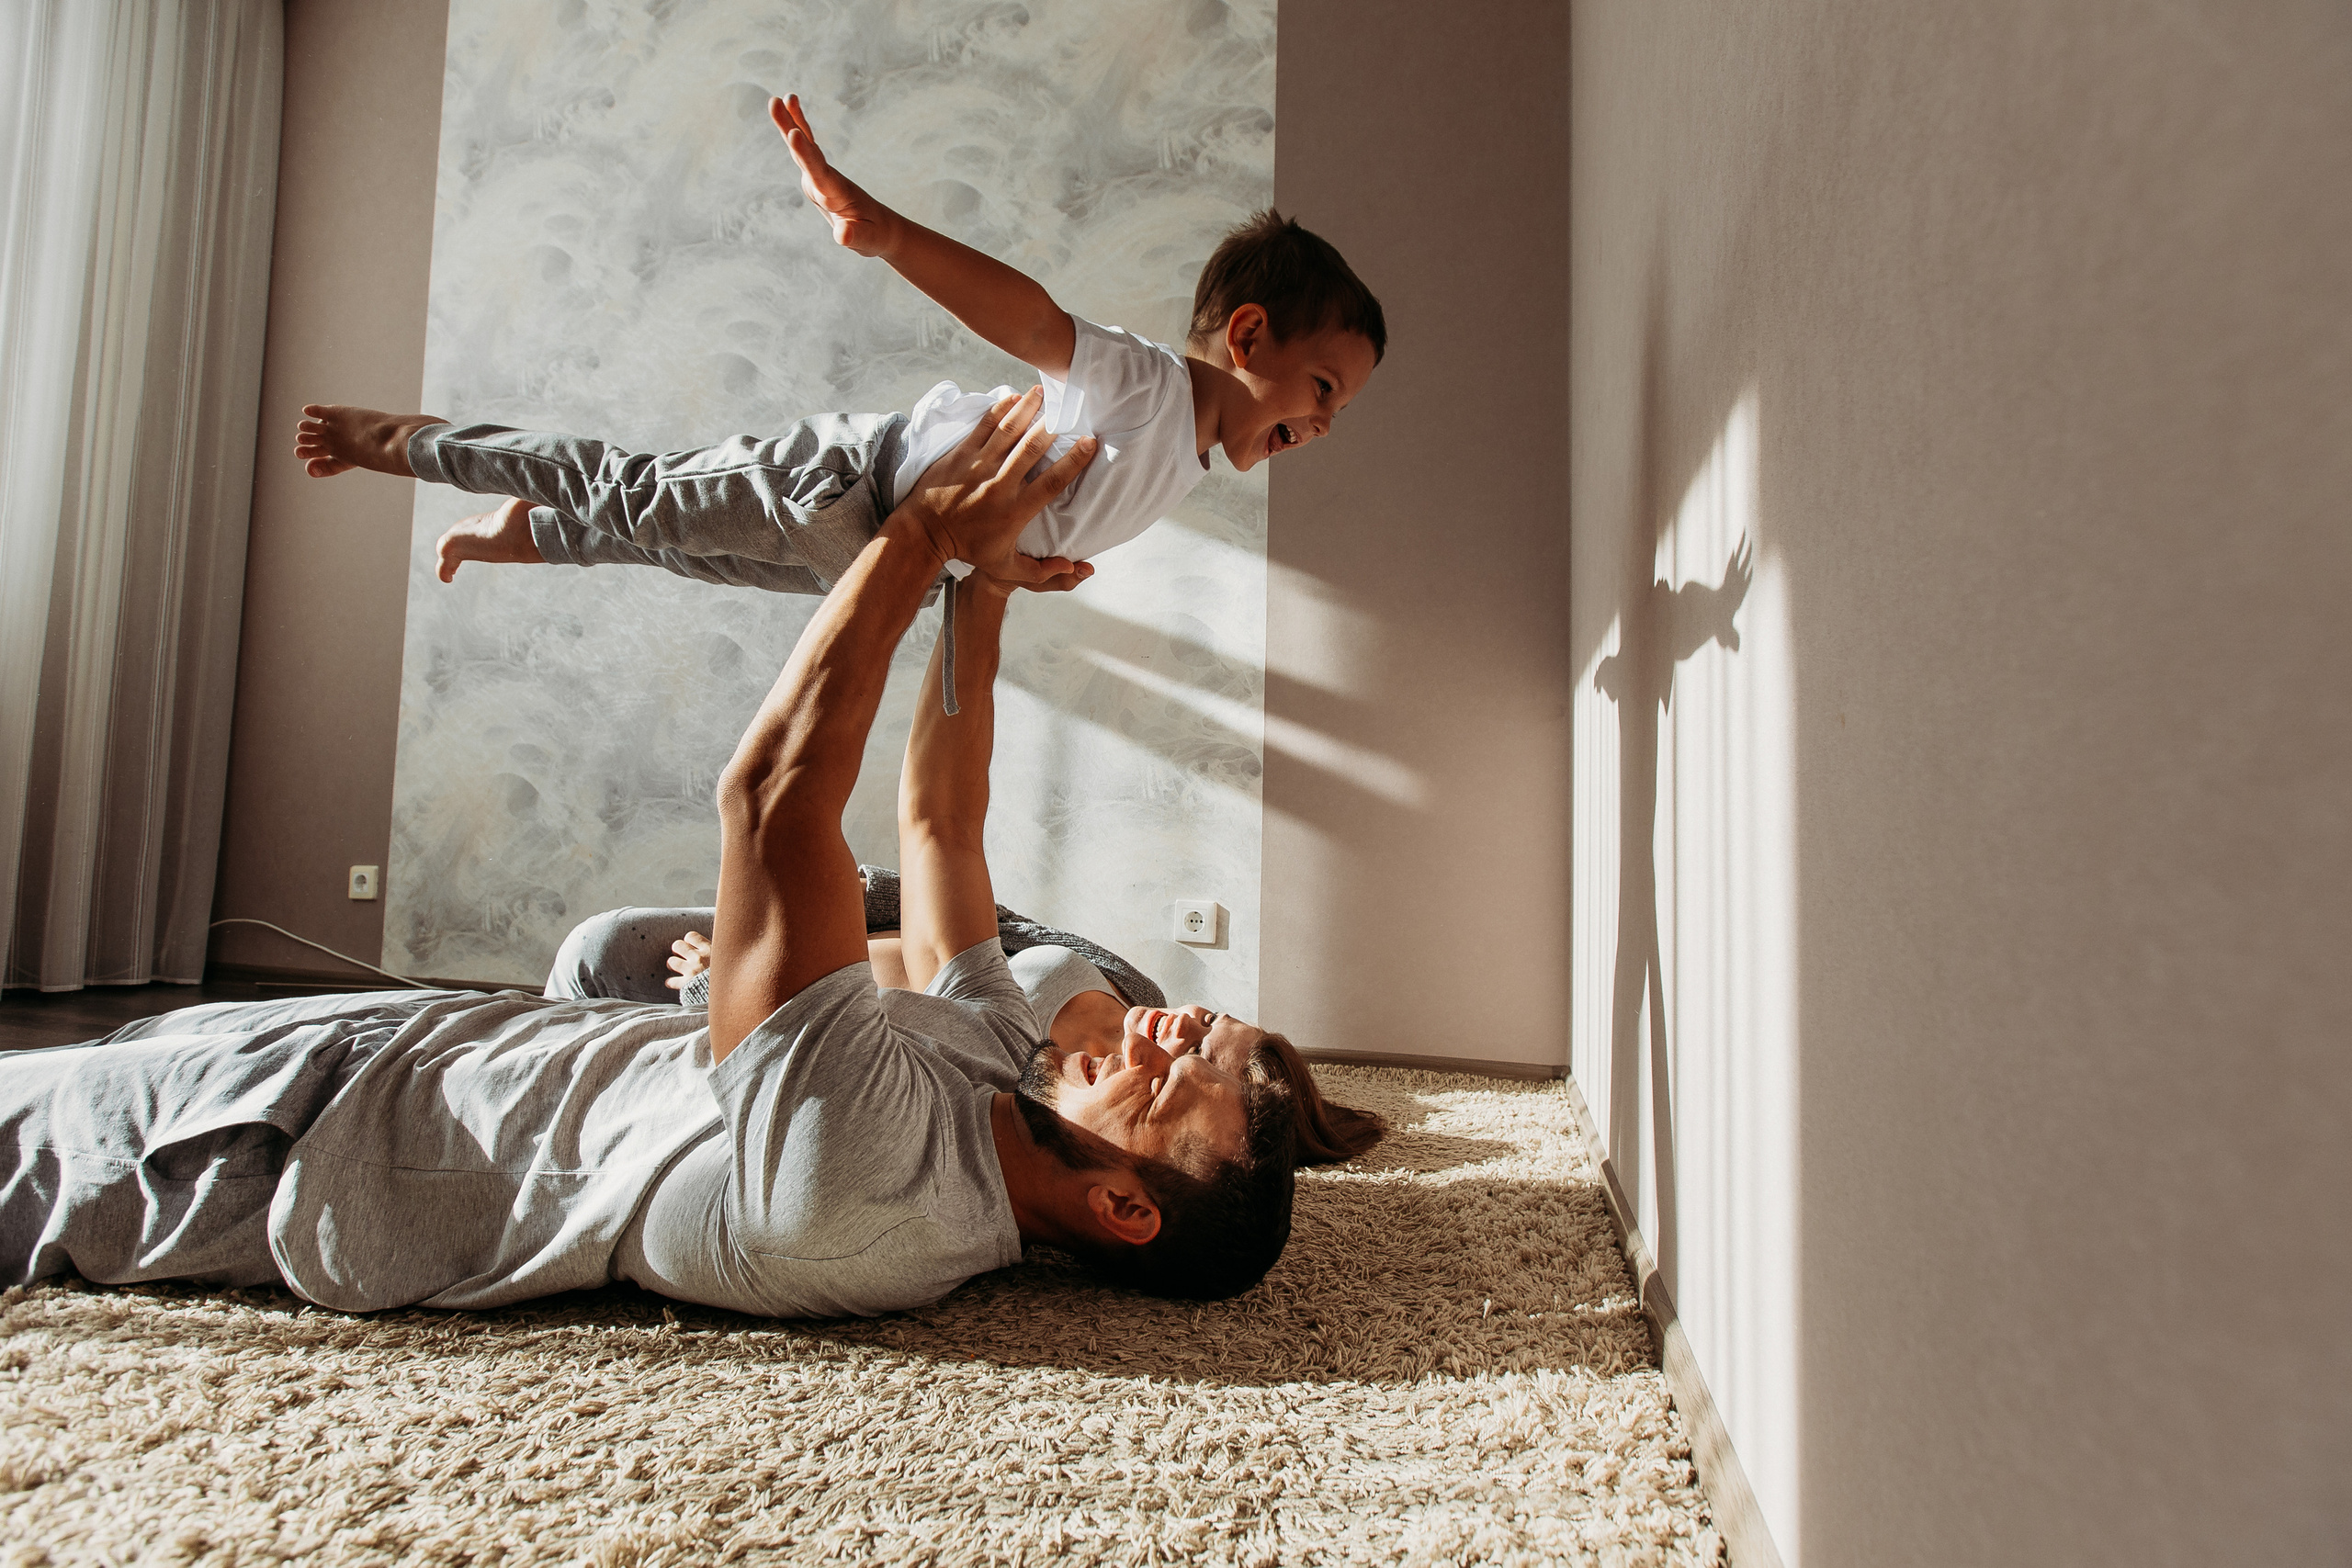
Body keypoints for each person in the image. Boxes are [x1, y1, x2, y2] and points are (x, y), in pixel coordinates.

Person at [1, 392, 1300, 1314]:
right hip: (392, 1046)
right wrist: (988, 587)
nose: (1147, 1041)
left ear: (1126, 1207)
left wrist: (917, 539)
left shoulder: (871, 1189)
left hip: (285, 1151)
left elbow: (770, 799)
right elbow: (943, 825)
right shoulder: (1006, 1064)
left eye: (1165, 1087)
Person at [292, 96, 1385, 676]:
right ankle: (407, 441)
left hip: (875, 555)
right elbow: (1030, 318)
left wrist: (1025, 569)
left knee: (673, 547)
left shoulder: (1181, 466)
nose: (1328, 423)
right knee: (637, 492)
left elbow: (1022, 521)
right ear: (1248, 336)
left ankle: (521, 534)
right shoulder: (1147, 385)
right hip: (847, 479)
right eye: (1324, 388)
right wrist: (889, 234)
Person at [546, 897, 1387, 1167]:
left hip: (792, 987)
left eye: (1198, 1052)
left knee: (593, 971)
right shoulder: (1139, 988)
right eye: (1214, 1017)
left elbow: (853, 1048)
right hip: (851, 912)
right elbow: (995, 919)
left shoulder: (1048, 1093)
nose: (1187, 1024)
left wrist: (726, 982)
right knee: (605, 937)